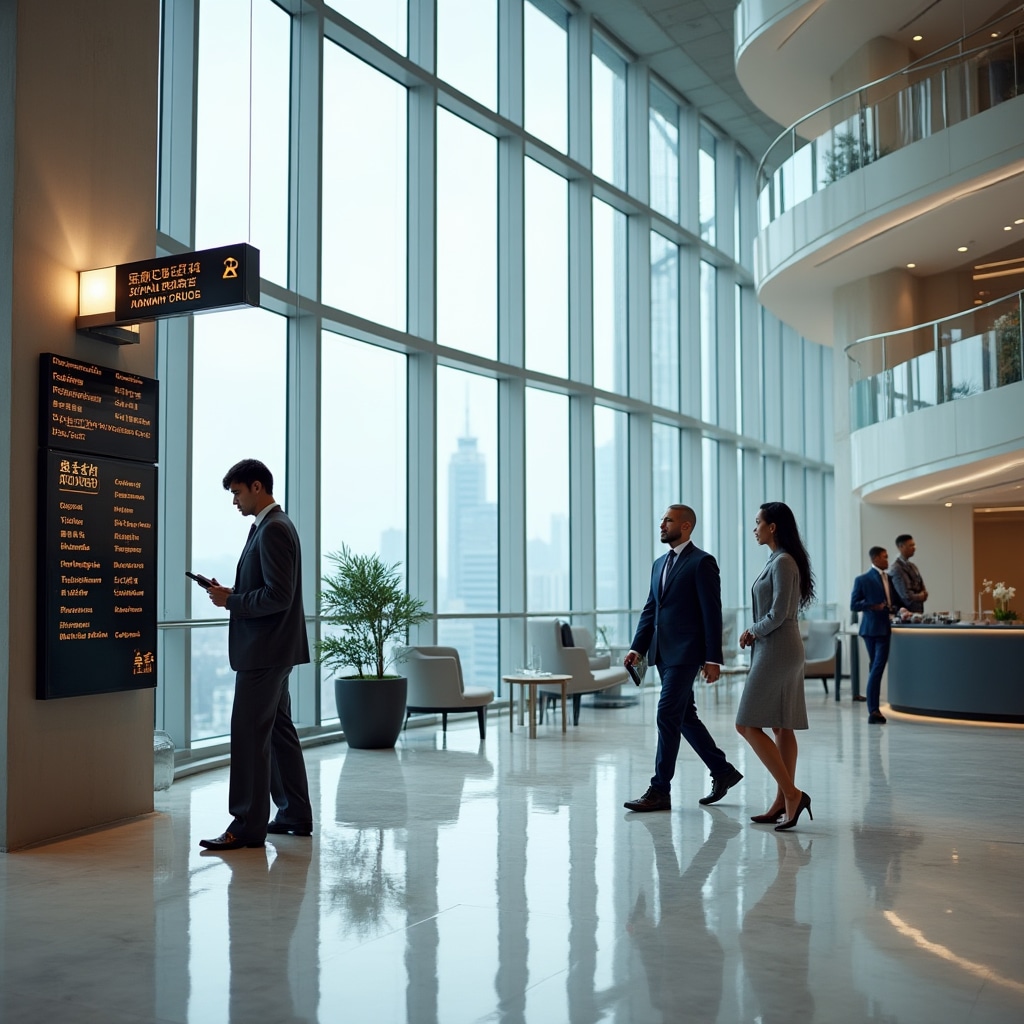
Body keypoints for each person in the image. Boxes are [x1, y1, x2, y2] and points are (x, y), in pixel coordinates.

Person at [199, 459, 313, 850]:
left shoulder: (273, 529)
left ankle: (246, 826)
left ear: (257, 486)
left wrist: (231, 601)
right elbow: (270, 588)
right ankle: (294, 813)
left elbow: (278, 596)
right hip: (274, 650)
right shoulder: (271, 526)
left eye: (237, 492)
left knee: (249, 736)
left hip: (264, 653)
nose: (234, 501)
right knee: (279, 732)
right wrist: (233, 593)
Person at [623, 505, 742, 812]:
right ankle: (723, 771)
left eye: (668, 520)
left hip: (687, 653)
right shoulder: (659, 564)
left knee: (666, 714)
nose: (662, 524)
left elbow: (711, 612)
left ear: (686, 526)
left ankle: (660, 789)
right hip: (662, 653)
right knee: (683, 716)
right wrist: (638, 647)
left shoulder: (702, 562)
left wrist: (713, 658)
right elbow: (651, 609)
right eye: (662, 520)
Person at [736, 501, 815, 832]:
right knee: (782, 726)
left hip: (778, 649)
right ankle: (783, 800)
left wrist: (752, 630)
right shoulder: (778, 559)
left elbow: (779, 613)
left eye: (758, 522)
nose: (754, 529)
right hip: (778, 647)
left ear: (773, 527)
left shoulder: (783, 561)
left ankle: (793, 794)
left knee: (746, 724)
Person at [850, 546, 899, 725]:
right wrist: (872, 606)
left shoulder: (889, 578)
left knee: (875, 668)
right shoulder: (862, 579)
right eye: (885, 557)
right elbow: (854, 604)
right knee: (877, 667)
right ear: (875, 559)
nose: (887, 560)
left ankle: (874, 710)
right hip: (871, 629)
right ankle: (873, 710)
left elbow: (895, 601)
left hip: (885, 628)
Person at [888, 534, 927, 613]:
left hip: (918, 611)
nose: (914, 548)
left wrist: (924, 594)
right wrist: (921, 596)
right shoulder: (896, 568)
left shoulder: (913, 566)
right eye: (911, 545)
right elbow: (905, 596)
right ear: (901, 547)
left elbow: (921, 586)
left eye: (914, 545)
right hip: (906, 613)